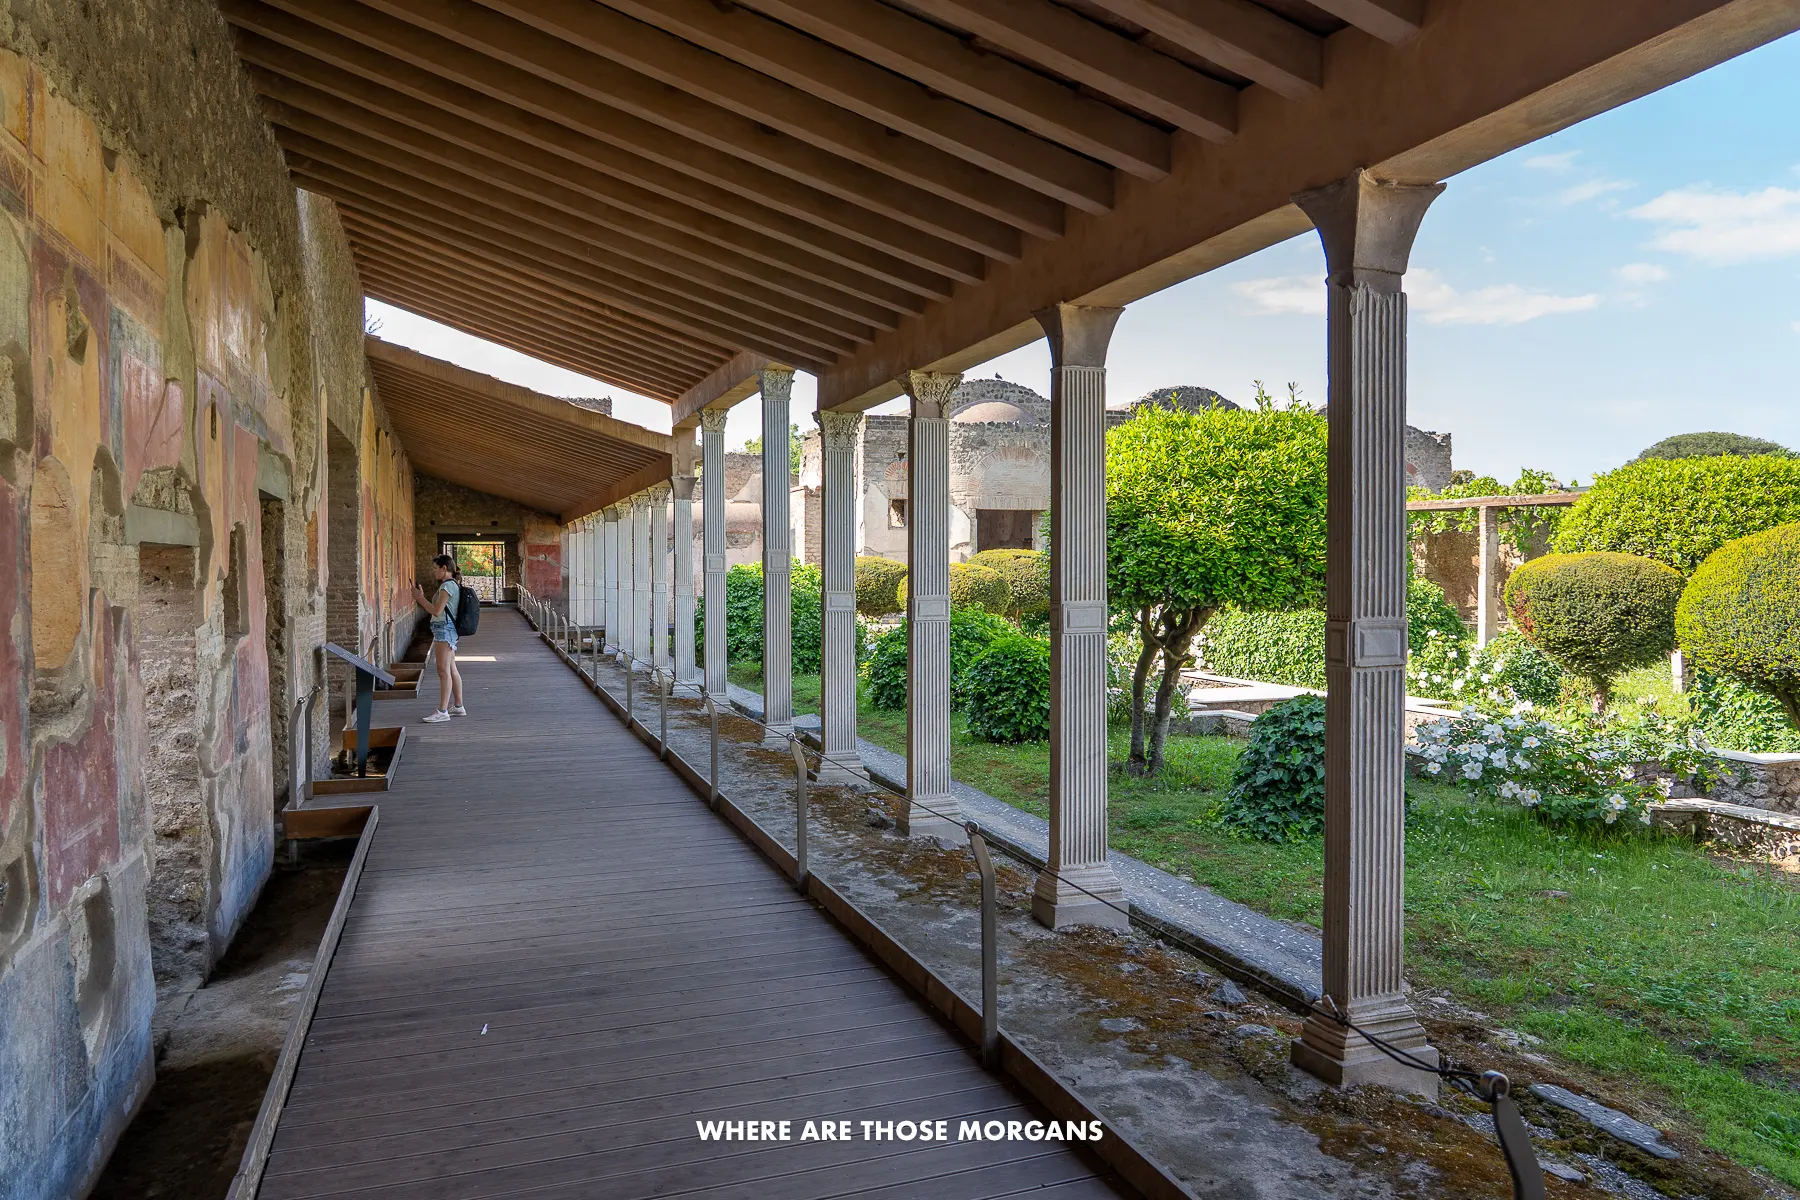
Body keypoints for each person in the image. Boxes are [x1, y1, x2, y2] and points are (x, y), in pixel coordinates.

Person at [412, 554, 467, 723]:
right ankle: (458, 706)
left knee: (443, 671)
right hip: (447, 629)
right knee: (451, 669)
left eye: (436, 568)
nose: (434, 572)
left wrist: (419, 598)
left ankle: (443, 711)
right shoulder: (451, 585)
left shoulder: (447, 587)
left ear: (444, 569)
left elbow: (436, 611)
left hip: (444, 629)